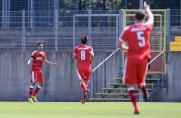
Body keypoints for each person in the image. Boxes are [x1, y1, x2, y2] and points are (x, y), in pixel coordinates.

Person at [117, 3, 154, 114]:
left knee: (130, 84)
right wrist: (148, 10)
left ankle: (136, 108)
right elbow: (151, 19)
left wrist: (127, 48)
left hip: (132, 57)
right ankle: (142, 86)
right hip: (144, 58)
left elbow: (119, 44)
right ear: (144, 18)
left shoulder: (128, 29)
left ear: (134, 18)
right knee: (140, 80)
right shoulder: (147, 27)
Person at [73, 35, 94, 104]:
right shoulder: (89, 48)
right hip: (88, 67)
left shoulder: (77, 48)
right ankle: (84, 98)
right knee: (86, 82)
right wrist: (90, 62)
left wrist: (77, 57)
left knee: (82, 82)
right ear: (86, 41)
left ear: (81, 41)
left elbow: (74, 57)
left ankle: (86, 89)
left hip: (80, 67)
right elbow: (92, 55)